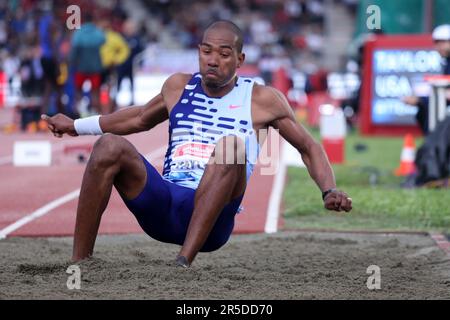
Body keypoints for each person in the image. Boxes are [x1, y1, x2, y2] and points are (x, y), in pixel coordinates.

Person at [41, 20, 352, 268]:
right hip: (163, 205)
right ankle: (80, 261)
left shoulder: (262, 99)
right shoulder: (178, 86)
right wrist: (76, 126)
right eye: (206, 51)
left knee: (232, 147)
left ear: (240, 59)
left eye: (224, 53)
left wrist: (329, 190)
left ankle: (182, 262)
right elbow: (136, 119)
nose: (213, 60)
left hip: (212, 224)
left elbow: (308, 146)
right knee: (109, 145)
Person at [403, 24, 450, 135]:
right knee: (424, 111)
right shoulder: (447, 63)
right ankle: (434, 146)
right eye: (437, 43)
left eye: (442, 42)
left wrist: (420, 100)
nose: (439, 47)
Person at [69, 13, 105, 116]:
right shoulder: (98, 33)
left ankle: (78, 113)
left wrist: (72, 63)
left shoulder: (78, 34)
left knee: (78, 91)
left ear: (83, 21)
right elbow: (103, 41)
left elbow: (74, 52)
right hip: (95, 67)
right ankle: (96, 115)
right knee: (95, 93)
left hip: (81, 68)